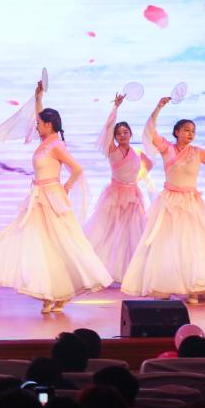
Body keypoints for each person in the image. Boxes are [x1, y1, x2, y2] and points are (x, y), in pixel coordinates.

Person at [0, 81, 112, 313]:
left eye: (39, 124)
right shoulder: (47, 141)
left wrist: (65, 186)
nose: (36, 126)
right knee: (39, 244)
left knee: (59, 244)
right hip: (38, 197)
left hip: (51, 198)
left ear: (49, 125)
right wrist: (38, 98)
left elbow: (77, 168)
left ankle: (59, 293)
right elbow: (41, 116)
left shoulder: (56, 144)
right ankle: (50, 293)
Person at [121, 97, 205, 303]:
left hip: (191, 202)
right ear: (176, 132)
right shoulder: (167, 148)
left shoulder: (198, 152)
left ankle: (194, 287)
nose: (190, 133)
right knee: (167, 244)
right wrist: (158, 108)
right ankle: (164, 285)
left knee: (194, 244)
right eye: (186, 130)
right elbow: (150, 131)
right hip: (169, 201)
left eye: (193, 131)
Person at [83, 94, 153, 283]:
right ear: (114, 137)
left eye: (125, 132)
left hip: (133, 195)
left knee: (131, 234)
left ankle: (129, 271)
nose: (122, 135)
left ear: (131, 134)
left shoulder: (137, 152)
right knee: (109, 232)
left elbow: (150, 164)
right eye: (119, 133)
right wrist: (115, 108)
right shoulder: (112, 150)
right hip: (114, 195)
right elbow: (107, 128)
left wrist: (137, 178)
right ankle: (102, 269)